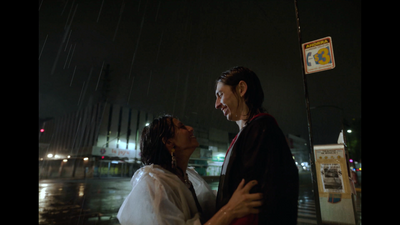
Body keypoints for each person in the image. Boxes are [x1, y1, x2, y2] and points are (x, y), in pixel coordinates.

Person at [117, 115, 263, 225]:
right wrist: (230, 211)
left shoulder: (187, 176)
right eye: (181, 126)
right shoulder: (154, 185)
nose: (190, 128)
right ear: (168, 142)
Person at [214, 66, 299, 224]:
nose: (217, 104)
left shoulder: (260, 129)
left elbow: (254, 197)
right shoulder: (252, 131)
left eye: (220, 95)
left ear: (241, 89)